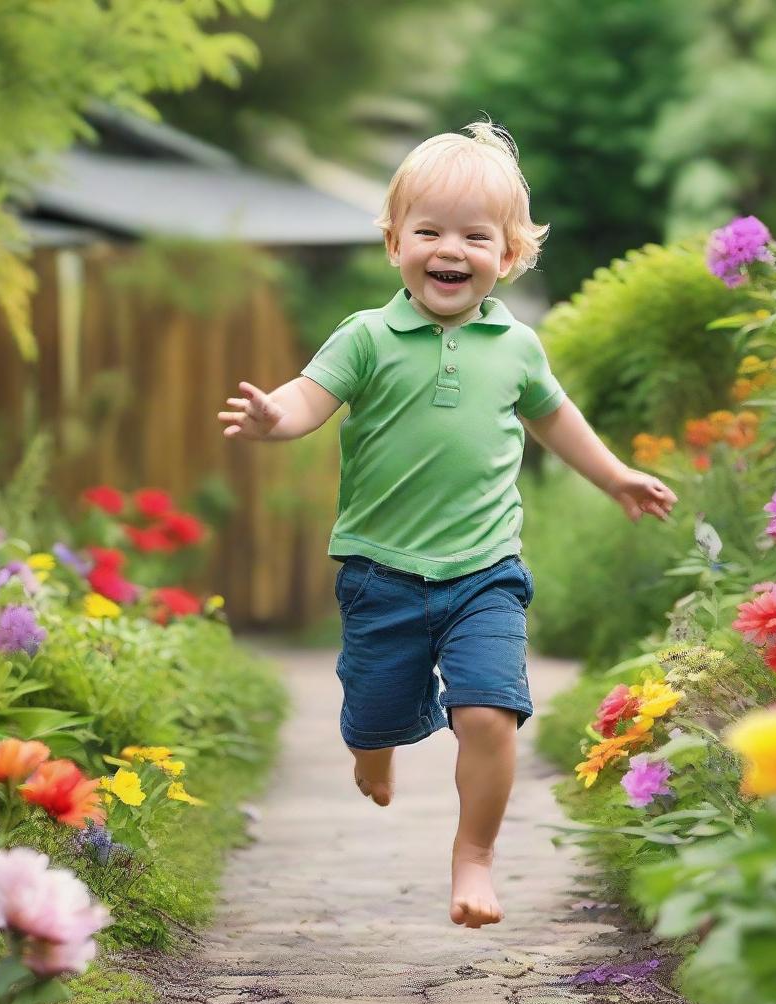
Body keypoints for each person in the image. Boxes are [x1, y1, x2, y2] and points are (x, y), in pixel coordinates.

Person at [218, 119, 678, 929]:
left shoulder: (517, 347)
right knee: (373, 710)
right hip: (380, 571)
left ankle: (475, 855)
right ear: (395, 241)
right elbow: (305, 396)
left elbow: (557, 419)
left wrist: (613, 477)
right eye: (429, 230)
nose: (451, 249)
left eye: (476, 234)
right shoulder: (365, 337)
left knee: (489, 713)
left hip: (484, 570)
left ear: (509, 254)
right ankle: (375, 745)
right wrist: (272, 419)